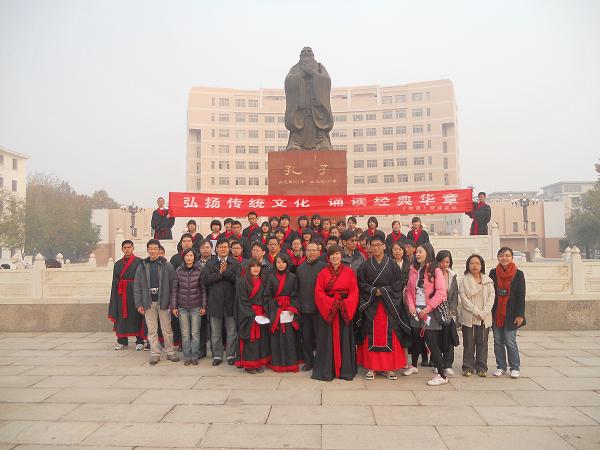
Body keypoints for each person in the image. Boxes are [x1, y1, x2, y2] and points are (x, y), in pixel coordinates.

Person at [356, 235, 412, 380]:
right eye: (372, 245)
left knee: (390, 334)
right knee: (371, 333)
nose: (375, 248)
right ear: (369, 247)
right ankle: (372, 367)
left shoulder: (392, 264)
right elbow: (361, 283)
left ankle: (389, 368)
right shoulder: (365, 266)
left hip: (389, 305)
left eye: (378, 245)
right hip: (371, 305)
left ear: (384, 246)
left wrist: (384, 291)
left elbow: (400, 282)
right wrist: (373, 291)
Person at [312, 245, 359, 381]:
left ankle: (345, 370)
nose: (335, 257)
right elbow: (318, 293)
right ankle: (327, 370)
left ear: (341, 255)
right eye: (332, 254)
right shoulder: (323, 273)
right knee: (326, 340)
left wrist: (344, 304)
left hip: (344, 310)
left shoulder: (349, 272)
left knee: (344, 340)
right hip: (329, 310)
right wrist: (332, 303)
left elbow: (354, 292)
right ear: (328, 257)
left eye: (337, 254)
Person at [404, 243, 448, 386]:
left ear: (428, 253)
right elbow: (409, 291)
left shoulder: (436, 271)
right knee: (416, 338)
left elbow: (441, 293)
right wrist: (411, 306)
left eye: (420, 252)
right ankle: (414, 366)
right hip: (416, 309)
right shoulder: (413, 269)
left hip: (431, 310)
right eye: (417, 252)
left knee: (431, 341)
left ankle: (442, 375)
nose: (417, 254)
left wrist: (427, 309)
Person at [133, 239, 179, 365]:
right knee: (152, 329)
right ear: (147, 250)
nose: (153, 251)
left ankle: (170, 352)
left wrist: (172, 302)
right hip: (148, 302)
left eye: (155, 248)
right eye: (150, 248)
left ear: (159, 250)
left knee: (167, 328)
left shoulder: (166, 265)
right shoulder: (142, 266)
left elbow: (173, 284)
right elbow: (137, 286)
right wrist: (139, 304)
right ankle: (155, 353)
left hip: (163, 301)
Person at [202, 237, 241, 366]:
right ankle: (217, 355)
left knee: (232, 331)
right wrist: (219, 273)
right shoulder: (210, 263)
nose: (223, 249)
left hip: (230, 302)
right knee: (215, 333)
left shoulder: (235, 263)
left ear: (229, 249)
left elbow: (238, 280)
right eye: (220, 247)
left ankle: (230, 355)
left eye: (225, 247)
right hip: (215, 302)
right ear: (216, 249)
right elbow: (205, 280)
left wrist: (226, 273)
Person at [489, 247, 526, 379]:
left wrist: (520, 315)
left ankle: (515, 367)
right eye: (501, 255)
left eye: (507, 255)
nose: (504, 258)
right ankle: (501, 366)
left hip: (511, 313)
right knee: (498, 341)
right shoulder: (493, 273)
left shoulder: (518, 274)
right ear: (498, 257)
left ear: (512, 258)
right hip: (497, 312)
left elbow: (521, 296)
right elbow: (490, 293)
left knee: (510, 341)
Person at [458, 254, 495, 377]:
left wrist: (484, 312)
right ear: (468, 265)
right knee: (469, 343)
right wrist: (476, 312)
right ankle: (468, 367)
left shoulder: (488, 280)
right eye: (472, 263)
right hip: (470, 316)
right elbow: (463, 297)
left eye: (477, 263)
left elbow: (491, 297)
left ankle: (481, 367)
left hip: (484, 317)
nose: (475, 266)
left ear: (482, 265)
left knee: (482, 343)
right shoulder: (464, 280)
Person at [170, 249, 207, 365]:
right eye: (187, 255)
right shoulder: (178, 271)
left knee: (195, 334)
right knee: (185, 334)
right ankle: (187, 356)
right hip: (182, 307)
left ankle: (195, 356)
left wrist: (203, 306)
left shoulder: (199, 270)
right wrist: (174, 307)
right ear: (184, 257)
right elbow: (174, 290)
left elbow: (203, 290)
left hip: (196, 307)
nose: (189, 258)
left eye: (191, 255)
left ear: (194, 257)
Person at [266, 253, 301, 372]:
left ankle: (291, 364)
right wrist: (275, 306)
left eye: (283, 262)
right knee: (276, 337)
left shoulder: (293, 277)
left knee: (290, 337)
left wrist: (292, 308)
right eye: (278, 262)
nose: (281, 265)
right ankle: (278, 363)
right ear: (275, 264)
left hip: (289, 309)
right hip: (276, 309)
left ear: (287, 263)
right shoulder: (270, 277)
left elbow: (296, 294)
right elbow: (267, 295)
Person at [235, 258, 271, 373]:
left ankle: (258, 363)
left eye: (258, 266)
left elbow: (266, 297)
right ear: (248, 268)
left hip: (261, 314)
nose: (256, 269)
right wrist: (252, 314)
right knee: (250, 339)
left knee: (261, 340)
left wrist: (265, 312)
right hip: (248, 314)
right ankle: (249, 365)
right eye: (253, 266)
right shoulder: (242, 281)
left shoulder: (263, 281)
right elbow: (242, 300)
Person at [296, 242, 327, 371]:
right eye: (309, 250)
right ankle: (308, 362)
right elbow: (297, 289)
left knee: (320, 338)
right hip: (304, 308)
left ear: (319, 252)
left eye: (314, 250)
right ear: (305, 252)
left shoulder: (324, 267)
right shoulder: (300, 268)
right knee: (306, 338)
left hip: (319, 309)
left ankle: (320, 362)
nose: (312, 253)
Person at [108, 240, 145, 350]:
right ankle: (122, 341)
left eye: (129, 247)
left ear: (133, 248)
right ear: (122, 249)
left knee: (137, 315)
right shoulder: (118, 264)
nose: (127, 249)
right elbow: (115, 281)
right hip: (122, 294)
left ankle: (140, 341)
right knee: (121, 316)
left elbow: (143, 280)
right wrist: (115, 295)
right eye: (125, 248)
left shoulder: (140, 262)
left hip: (135, 292)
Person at [435, 250, 459, 376]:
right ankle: (438, 364)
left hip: (449, 311)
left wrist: (452, 309)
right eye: (442, 262)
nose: (445, 264)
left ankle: (448, 364)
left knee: (449, 338)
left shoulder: (452, 275)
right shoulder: (433, 274)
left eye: (447, 262)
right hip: (436, 310)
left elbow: (455, 294)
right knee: (437, 338)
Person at [196, 239, 214, 358]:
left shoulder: (216, 261)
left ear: (212, 248)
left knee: (214, 325)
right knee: (201, 325)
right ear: (199, 249)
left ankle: (214, 350)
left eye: (207, 247)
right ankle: (201, 349)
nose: (205, 250)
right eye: (203, 248)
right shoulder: (195, 262)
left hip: (213, 296)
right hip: (199, 297)